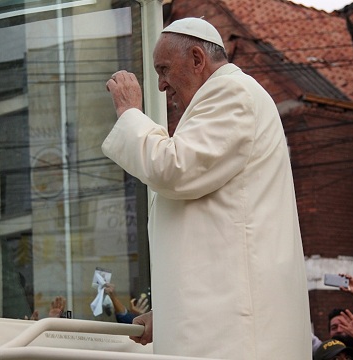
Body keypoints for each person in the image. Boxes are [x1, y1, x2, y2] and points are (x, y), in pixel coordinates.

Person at [102, 17, 310, 359]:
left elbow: (173, 169)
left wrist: (129, 113)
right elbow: (208, 235)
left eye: (164, 69)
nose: (161, 85)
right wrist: (168, 313)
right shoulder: (222, 98)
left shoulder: (233, 93)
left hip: (236, 331)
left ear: (198, 59)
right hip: (222, 320)